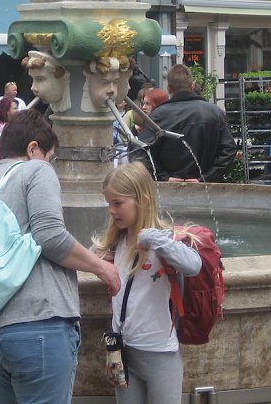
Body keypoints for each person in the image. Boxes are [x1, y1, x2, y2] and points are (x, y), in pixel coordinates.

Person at [0, 110, 120, 403]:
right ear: (33, 149)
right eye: (50, 156)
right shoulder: (35, 170)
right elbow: (50, 236)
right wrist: (101, 268)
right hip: (37, 327)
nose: (49, 164)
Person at [91, 162, 201, 403]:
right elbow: (91, 255)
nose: (111, 210)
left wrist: (154, 238)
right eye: (109, 203)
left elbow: (193, 265)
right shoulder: (117, 242)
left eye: (118, 203)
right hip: (124, 352)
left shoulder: (164, 241)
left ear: (143, 200)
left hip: (161, 353)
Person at [135, 64, 236, 183]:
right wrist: (207, 178)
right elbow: (229, 149)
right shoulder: (215, 113)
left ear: (168, 88)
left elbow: (139, 150)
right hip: (208, 192)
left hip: (167, 192)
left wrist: (163, 177)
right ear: (192, 85)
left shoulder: (158, 116)